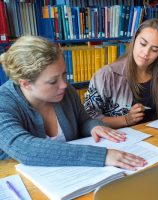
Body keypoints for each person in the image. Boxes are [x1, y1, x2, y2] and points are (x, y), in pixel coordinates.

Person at [0, 36, 146, 170]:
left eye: (64, 74)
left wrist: (94, 127)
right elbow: (25, 149)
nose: (64, 84)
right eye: (52, 81)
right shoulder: (4, 103)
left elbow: (83, 121)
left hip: (71, 175)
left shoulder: (65, 91)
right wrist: (102, 156)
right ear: (25, 84)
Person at [84, 18, 158, 128]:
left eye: (154, 50)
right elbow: (88, 119)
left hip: (156, 138)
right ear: (134, 40)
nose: (146, 53)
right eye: (143, 44)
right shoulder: (107, 75)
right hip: (119, 140)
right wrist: (126, 120)